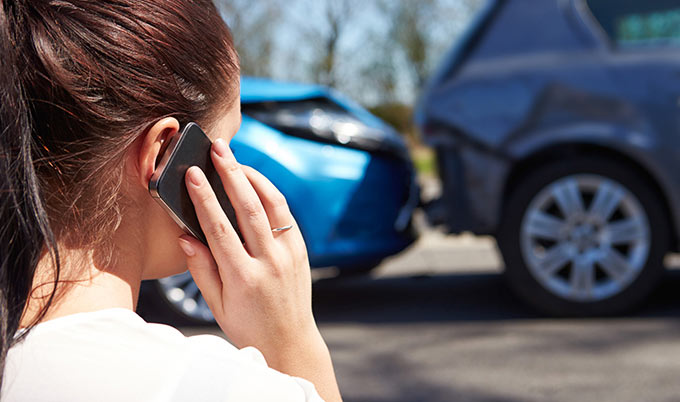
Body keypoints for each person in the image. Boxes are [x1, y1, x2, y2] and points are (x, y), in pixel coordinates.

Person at [0, 1, 342, 401]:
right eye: (223, 148)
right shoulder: (216, 387)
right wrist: (294, 344)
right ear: (164, 153)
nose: (230, 172)